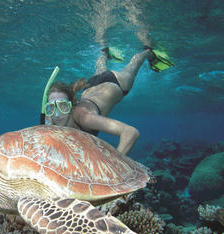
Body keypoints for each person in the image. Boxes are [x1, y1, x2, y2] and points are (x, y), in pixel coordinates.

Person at [43, 47, 173, 155]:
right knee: (100, 66)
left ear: (71, 105)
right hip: (91, 85)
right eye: (52, 107)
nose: (57, 114)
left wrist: (116, 163)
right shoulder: (50, 117)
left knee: (135, 63)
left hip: (115, 82)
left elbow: (131, 132)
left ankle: (148, 51)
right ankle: (104, 52)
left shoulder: (85, 118)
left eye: (63, 106)